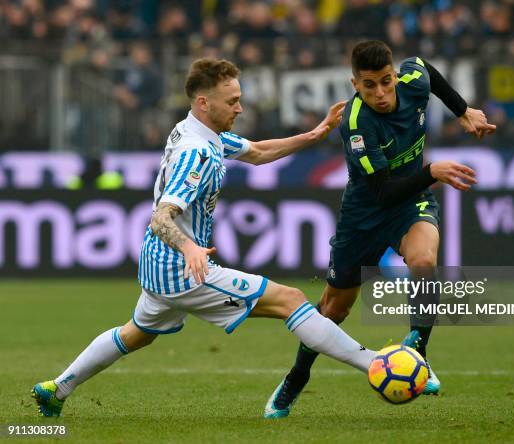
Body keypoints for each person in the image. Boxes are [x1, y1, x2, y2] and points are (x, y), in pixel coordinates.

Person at [31, 58, 379, 417]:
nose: (240, 108)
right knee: (290, 299)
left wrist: (314, 134)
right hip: (181, 268)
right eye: (231, 102)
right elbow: (159, 218)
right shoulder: (196, 154)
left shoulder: (198, 132)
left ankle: (56, 389)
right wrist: (189, 248)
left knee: (137, 333)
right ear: (204, 103)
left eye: (238, 99)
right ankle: (377, 366)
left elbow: (257, 153)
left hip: (156, 265)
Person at [264, 40, 496, 419]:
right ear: (355, 84)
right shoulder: (357, 124)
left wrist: (462, 110)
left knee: (423, 260)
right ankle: (296, 377)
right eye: (369, 85)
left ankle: (416, 354)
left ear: (395, 75)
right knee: (334, 309)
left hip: (411, 203)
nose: (381, 93)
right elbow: (383, 192)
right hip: (365, 214)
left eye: (386, 81)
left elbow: (426, 68)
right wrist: (431, 172)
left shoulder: (412, 80)